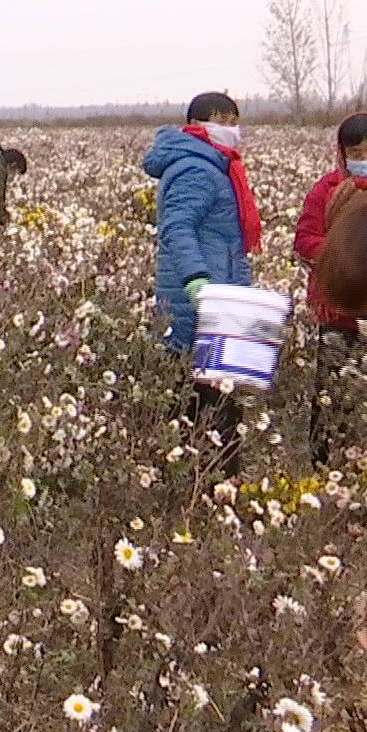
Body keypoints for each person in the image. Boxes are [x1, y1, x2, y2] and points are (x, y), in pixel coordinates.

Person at [144, 92, 258, 475]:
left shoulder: (215, 166)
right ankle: (206, 486)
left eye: (234, 118)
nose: (231, 127)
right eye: (222, 118)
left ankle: (208, 483)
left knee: (212, 396)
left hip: (218, 296)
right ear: (200, 124)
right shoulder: (197, 168)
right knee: (205, 398)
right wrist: (196, 279)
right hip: (200, 301)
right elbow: (177, 227)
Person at [296, 113, 367, 463]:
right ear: (343, 153)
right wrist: (344, 255)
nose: (363, 160)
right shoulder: (327, 190)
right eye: (356, 152)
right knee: (332, 395)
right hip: (338, 311)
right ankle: (324, 468)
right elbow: (305, 240)